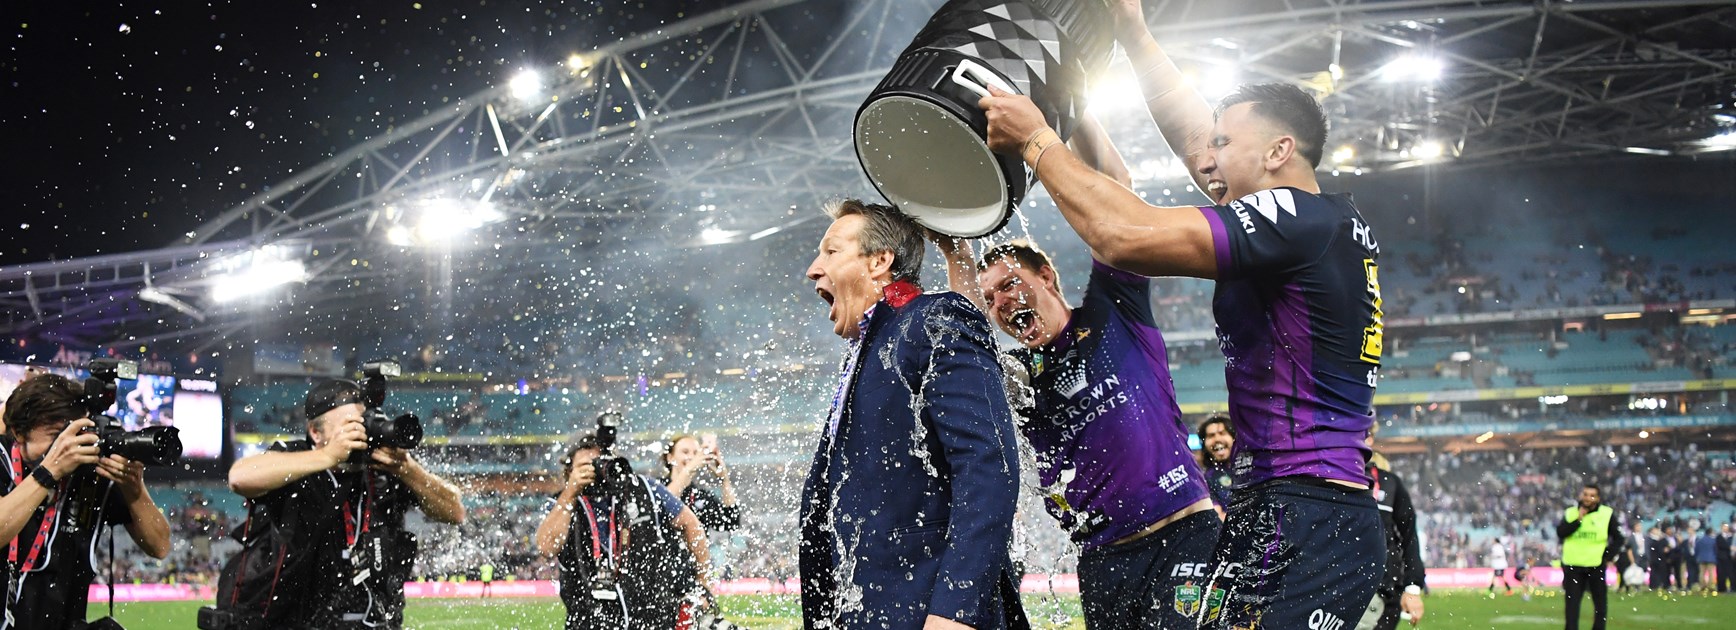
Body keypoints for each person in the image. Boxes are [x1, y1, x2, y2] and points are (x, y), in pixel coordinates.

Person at [977, 2, 1385, 626]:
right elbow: (1197, 139)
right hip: (1278, 506)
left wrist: (1037, 139)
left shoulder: (1299, 219)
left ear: (1278, 151)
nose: (1208, 155)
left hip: (1310, 510)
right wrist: (1134, 33)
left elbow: (1121, 234)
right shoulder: (1312, 222)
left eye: (1227, 143)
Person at [932, 114, 1221, 628]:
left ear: (1047, 275)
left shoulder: (1114, 311)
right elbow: (964, 333)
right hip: (1101, 561)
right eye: (991, 294)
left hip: (1182, 535)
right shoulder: (1014, 376)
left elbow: (1119, 197)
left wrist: (1079, 107)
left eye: (1010, 283)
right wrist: (957, 252)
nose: (1001, 301)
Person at [800, 199, 1026, 629]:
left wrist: (954, 612)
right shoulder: (869, 348)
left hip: (926, 613)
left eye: (831, 251)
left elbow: (987, 466)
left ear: (879, 262)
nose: (813, 268)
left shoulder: (935, 318)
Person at [218, 378, 466, 629]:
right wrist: (326, 456)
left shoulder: (386, 469)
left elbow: (455, 512)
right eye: (351, 425)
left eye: (365, 422)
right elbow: (239, 477)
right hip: (303, 621)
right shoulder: (298, 459)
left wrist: (408, 469)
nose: (363, 432)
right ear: (315, 432)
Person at [0, 373, 172, 629]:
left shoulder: (91, 472)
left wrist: (135, 488)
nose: (69, 444)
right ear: (19, 433)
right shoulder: (3, 459)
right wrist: (48, 472)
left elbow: (160, 546)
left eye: (77, 432)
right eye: (56, 435)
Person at [536, 434, 714, 630]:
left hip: (652, 618)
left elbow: (692, 526)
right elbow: (546, 547)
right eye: (585, 466)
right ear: (570, 471)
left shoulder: (642, 489)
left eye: (600, 463)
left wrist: (703, 584)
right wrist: (570, 491)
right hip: (588, 619)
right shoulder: (561, 504)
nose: (594, 471)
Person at [1356, 429, 1423, 630]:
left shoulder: (1390, 482)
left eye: (1364, 433)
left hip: (1384, 590)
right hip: (1340, 588)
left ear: (1371, 439)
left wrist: (1412, 588)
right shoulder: (1328, 478)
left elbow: (1409, 536)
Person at [1557, 483, 1623, 630]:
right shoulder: (1571, 513)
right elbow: (1561, 532)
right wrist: (1578, 520)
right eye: (1585, 494)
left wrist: (1607, 555)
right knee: (1572, 607)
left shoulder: (1606, 514)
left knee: (1600, 605)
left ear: (1598, 498)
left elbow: (1619, 538)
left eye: (1592, 495)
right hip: (1573, 566)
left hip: (1596, 566)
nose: (1588, 498)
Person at [660, 433, 742, 533]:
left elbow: (732, 523)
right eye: (685, 452)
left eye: (696, 453)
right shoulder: (655, 486)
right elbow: (660, 508)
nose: (691, 457)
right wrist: (689, 468)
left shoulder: (701, 496)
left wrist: (724, 480)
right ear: (670, 458)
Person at [1198, 413, 1236, 513]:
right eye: (1211, 436)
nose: (1217, 439)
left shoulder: (1252, 468)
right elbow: (1218, 515)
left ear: (1234, 438)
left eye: (1222, 433)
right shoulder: (1205, 480)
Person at [1694, 522, 1717, 593]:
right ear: (1710, 532)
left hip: (1701, 558)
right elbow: (1715, 549)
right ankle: (1710, 586)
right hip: (1711, 558)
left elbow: (1696, 549)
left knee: (1701, 573)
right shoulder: (1713, 540)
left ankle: (1702, 586)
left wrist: (1697, 556)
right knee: (1711, 573)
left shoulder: (1699, 540)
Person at [1716, 522, 1734, 594]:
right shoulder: (1719, 537)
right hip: (1721, 558)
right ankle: (1721, 588)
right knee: (1721, 574)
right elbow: (1721, 545)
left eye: (1726, 527)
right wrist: (1730, 548)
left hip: (1730, 558)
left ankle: (1732, 588)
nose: (1725, 528)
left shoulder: (1731, 537)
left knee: (1731, 573)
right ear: (1721, 527)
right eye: (1724, 527)